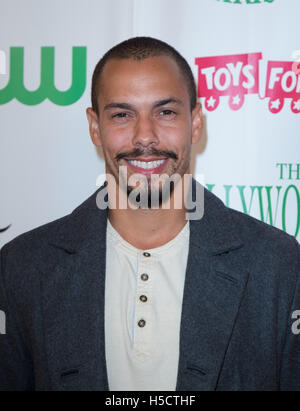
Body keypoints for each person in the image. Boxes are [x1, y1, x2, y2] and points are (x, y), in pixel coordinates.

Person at [0, 36, 299, 391]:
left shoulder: (278, 263)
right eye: (123, 115)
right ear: (95, 127)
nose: (146, 137)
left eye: (166, 112)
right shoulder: (22, 266)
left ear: (196, 122)